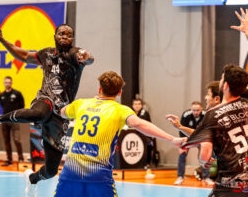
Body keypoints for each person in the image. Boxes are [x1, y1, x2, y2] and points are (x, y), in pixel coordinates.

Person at [0, 23, 94, 197]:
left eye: (69, 35)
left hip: (61, 114)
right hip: (45, 99)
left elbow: (89, 59)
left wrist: (87, 56)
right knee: (39, 113)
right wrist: (0, 39)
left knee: (51, 170)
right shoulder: (45, 53)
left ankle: (32, 179)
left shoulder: (75, 55)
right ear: (55, 35)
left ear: (72, 39)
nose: (65, 37)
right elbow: (23, 54)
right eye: (61, 34)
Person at [54, 71, 183, 197]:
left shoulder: (81, 104)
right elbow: (140, 124)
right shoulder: (120, 110)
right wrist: (171, 138)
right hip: (99, 176)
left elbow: (62, 112)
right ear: (119, 92)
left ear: (99, 89)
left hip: (70, 174)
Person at [182, 8, 248, 196]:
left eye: (221, 79)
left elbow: (205, 155)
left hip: (232, 187)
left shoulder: (212, 115)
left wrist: (204, 161)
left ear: (226, 86)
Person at [167, 81, 221, 183]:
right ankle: (180, 177)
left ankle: (206, 177)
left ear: (217, 99)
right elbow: (199, 134)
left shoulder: (208, 115)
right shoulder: (187, 115)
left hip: (207, 144)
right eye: (194, 110)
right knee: (183, 153)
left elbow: (202, 138)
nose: (205, 97)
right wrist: (180, 130)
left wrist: (202, 155)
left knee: (206, 156)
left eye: (208, 94)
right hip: (197, 138)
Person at [0, 76, 25, 166]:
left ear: (11, 83)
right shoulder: (1, 95)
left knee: (17, 139)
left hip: (14, 120)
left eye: (9, 82)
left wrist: (17, 116)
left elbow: (22, 105)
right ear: (4, 83)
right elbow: (3, 106)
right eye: (6, 82)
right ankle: (9, 160)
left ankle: (21, 158)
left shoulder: (17, 94)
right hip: (4, 120)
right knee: (6, 141)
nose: (7, 84)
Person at [132, 98, 156, 167]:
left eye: (139, 104)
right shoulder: (131, 113)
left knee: (148, 143)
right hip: (135, 136)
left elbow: (138, 123)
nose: (137, 106)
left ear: (141, 105)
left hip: (147, 135)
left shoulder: (144, 113)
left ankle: (147, 164)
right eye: (135, 104)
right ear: (132, 105)